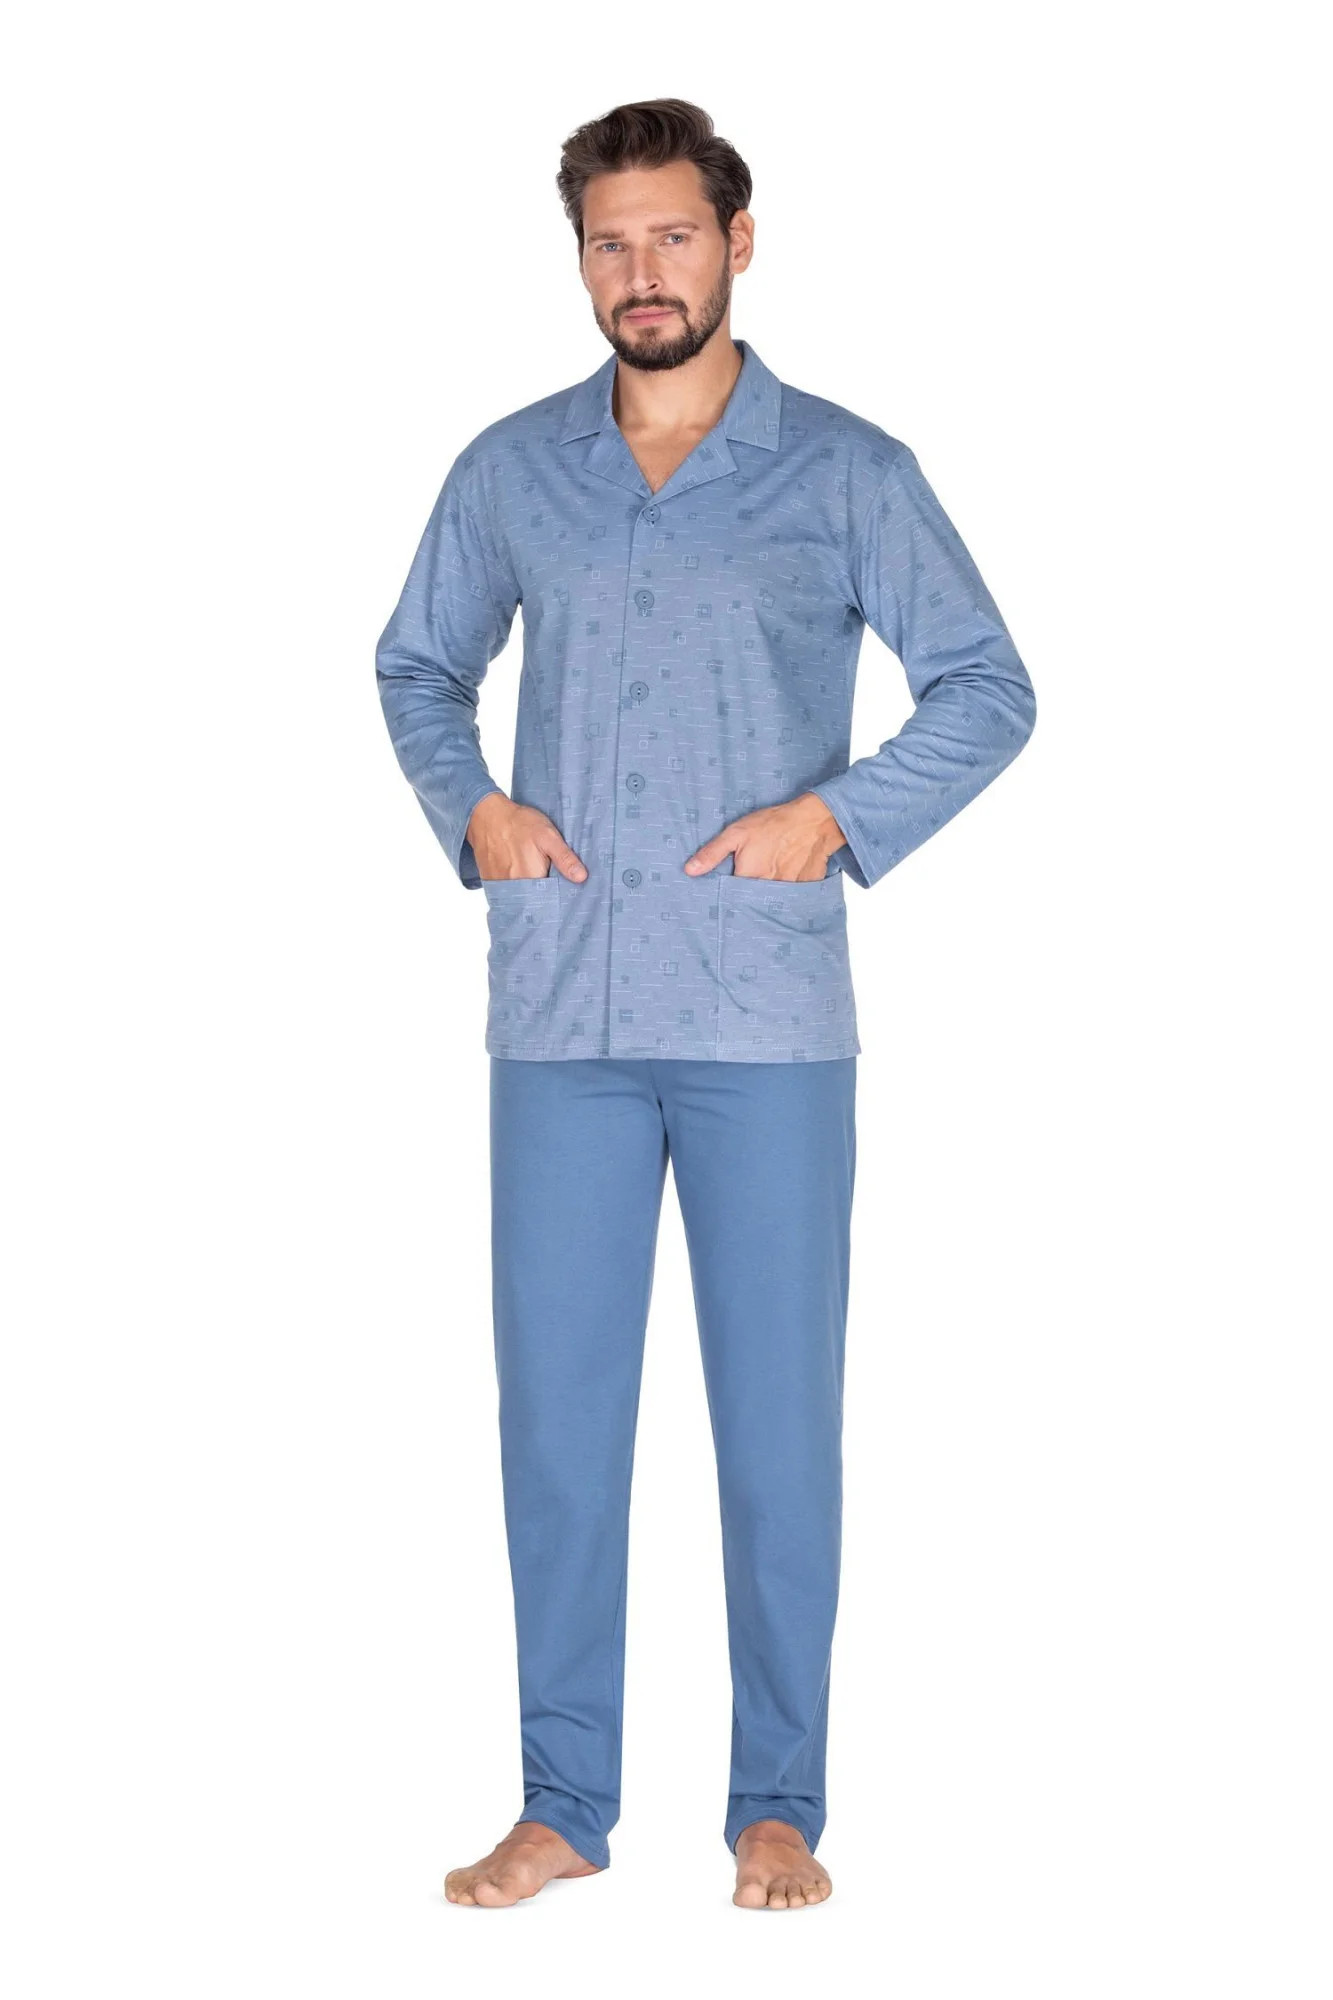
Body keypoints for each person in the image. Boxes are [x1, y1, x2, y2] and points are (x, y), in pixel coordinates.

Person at [375, 96, 1036, 1912]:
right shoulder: (512, 471)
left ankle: (777, 1804)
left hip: (765, 1023)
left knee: (776, 1429)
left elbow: (986, 685)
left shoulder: (846, 471)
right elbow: (418, 665)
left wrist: (840, 816)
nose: (640, 271)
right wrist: (473, 808)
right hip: (561, 1023)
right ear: (581, 260)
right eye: (610, 242)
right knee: (557, 1428)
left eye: (671, 235)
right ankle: (561, 1805)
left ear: (738, 244)